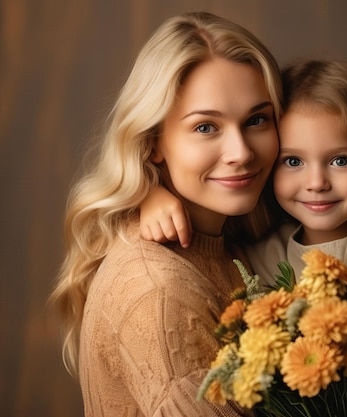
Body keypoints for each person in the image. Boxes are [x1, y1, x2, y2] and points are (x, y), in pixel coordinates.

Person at [140, 59, 347, 416]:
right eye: (293, 162)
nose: (317, 182)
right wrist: (152, 194)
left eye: (341, 161)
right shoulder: (265, 251)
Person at [49, 12, 282, 417]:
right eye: (206, 127)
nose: (242, 152)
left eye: (257, 120)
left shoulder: (241, 242)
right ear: (154, 140)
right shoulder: (159, 293)